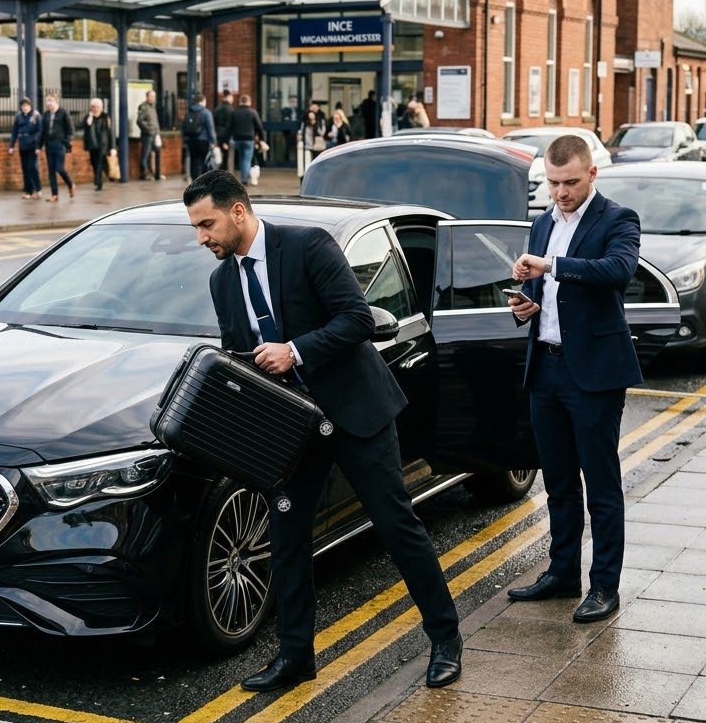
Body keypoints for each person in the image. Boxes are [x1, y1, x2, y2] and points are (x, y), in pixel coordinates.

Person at [183, 171, 462, 692]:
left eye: (207, 224)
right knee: (287, 541)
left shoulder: (307, 246)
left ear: (237, 211)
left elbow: (356, 318)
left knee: (397, 527)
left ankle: (445, 640)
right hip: (293, 428)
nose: (202, 237)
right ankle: (295, 659)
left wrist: (295, 350)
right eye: (197, 228)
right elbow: (239, 359)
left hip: (355, 411)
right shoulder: (223, 281)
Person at [506, 134, 641, 623]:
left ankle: (604, 586)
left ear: (592, 175)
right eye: (552, 182)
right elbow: (543, 292)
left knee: (601, 484)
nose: (560, 192)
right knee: (559, 482)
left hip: (595, 374)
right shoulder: (542, 223)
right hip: (546, 366)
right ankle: (563, 573)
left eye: (569, 182)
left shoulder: (618, 219)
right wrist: (526, 306)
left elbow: (618, 271)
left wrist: (553, 265)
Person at [40, 94, 76, 203]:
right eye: (47, 101)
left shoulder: (63, 113)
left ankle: (70, 184)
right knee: (51, 171)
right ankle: (54, 195)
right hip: (49, 146)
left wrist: (67, 141)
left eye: (50, 101)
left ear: (56, 102)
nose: (48, 103)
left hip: (60, 145)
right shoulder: (45, 115)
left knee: (59, 168)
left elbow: (71, 130)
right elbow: (43, 132)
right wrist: (39, 146)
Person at [8, 97, 42, 199]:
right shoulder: (18, 116)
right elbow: (14, 132)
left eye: (26, 105)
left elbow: (40, 131)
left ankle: (38, 188)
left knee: (32, 167)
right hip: (22, 146)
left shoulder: (36, 115)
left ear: (30, 106)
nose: (25, 107)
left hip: (33, 145)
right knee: (25, 169)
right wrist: (11, 146)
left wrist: (38, 146)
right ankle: (28, 191)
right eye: (23, 106)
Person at [230, 94, 265, 185]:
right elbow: (259, 127)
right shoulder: (253, 112)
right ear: (249, 102)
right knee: (247, 159)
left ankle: (244, 176)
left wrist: (224, 140)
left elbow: (229, 127)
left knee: (242, 159)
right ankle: (244, 179)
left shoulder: (235, 112)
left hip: (237, 139)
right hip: (249, 139)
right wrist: (262, 139)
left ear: (240, 102)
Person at [82, 98, 115, 192]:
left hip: (103, 144)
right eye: (93, 107)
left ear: (101, 108)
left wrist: (113, 147)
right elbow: (85, 128)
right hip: (92, 145)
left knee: (100, 163)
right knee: (94, 163)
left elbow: (110, 132)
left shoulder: (105, 117)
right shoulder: (88, 117)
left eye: (97, 107)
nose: (95, 108)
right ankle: (103, 176)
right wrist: (90, 118)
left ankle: (98, 182)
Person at [183, 93, 217, 181]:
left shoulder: (189, 112)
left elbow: (184, 127)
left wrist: (185, 140)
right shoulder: (206, 112)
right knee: (204, 161)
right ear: (203, 101)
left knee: (194, 161)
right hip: (203, 140)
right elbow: (210, 128)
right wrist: (213, 141)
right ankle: (203, 181)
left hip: (191, 140)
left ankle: (195, 180)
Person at [137, 89, 162, 181]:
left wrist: (158, 133)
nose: (153, 98)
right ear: (147, 97)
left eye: (154, 96)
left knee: (158, 154)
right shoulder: (143, 107)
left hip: (155, 135)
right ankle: (144, 174)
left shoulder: (153, 107)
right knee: (145, 155)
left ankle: (157, 174)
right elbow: (139, 121)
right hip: (147, 135)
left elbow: (156, 122)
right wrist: (149, 129)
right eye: (151, 96)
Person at [213, 90, 234, 171]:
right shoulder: (231, 109)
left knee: (219, 155)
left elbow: (214, 122)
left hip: (218, 134)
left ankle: (219, 172)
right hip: (227, 135)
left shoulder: (217, 108)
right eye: (231, 97)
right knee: (228, 156)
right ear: (228, 97)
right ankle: (227, 173)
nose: (232, 99)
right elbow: (230, 125)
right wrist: (227, 139)